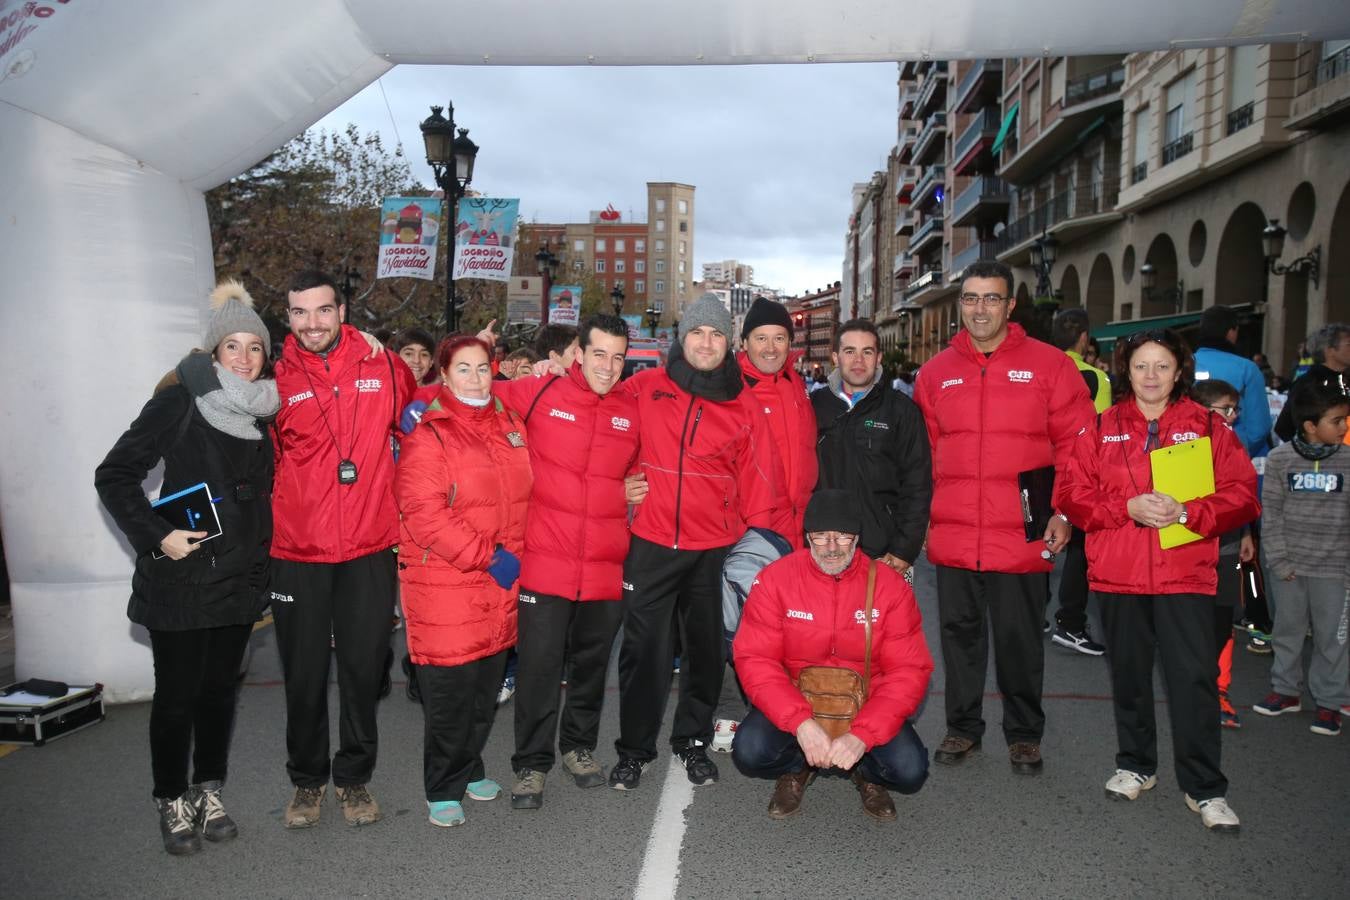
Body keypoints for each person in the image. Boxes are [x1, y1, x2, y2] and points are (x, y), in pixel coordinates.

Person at [95, 280, 279, 855]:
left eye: (255, 348)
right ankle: (170, 798)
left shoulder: (262, 411)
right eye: (233, 347)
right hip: (183, 577)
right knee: (176, 696)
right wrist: (158, 536)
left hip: (239, 579)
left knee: (220, 692)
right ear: (213, 352)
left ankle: (209, 788)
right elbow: (115, 474)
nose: (245, 359)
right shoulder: (179, 399)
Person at [1057, 329, 1259, 833]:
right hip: (1117, 575)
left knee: (1193, 681)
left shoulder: (1209, 427)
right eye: (1142, 366)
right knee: (1128, 677)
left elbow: (1243, 495)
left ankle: (1206, 788)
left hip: (1186, 577)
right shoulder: (1100, 427)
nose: (1151, 376)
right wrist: (1124, 507)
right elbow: (1073, 495)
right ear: (1126, 371)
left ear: (1178, 372)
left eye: (1162, 366)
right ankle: (1136, 765)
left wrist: (1190, 511)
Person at [913, 260, 1095, 774]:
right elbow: (924, 455)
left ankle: (1024, 735)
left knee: (1019, 642)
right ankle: (962, 728)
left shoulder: (1051, 366)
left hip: (1022, 534)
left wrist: (1065, 510)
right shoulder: (935, 373)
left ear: (1010, 305)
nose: (979, 309)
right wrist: (921, 520)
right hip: (954, 536)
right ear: (960, 305)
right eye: (970, 299)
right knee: (960, 639)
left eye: (991, 298)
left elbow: (1079, 445)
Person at [609, 293, 779, 791]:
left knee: (705, 653)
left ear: (730, 343)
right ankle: (634, 750)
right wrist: (615, 488)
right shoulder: (644, 386)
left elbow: (759, 482)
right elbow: (600, 428)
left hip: (714, 550)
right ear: (683, 337)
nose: (706, 343)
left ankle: (692, 742)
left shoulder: (744, 403)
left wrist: (755, 555)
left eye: (717, 334)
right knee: (644, 652)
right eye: (698, 333)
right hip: (652, 541)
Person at [269, 269, 415, 829]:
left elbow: (425, 418)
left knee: (361, 672)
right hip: (298, 551)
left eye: (322, 311)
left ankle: (353, 779)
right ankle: (307, 782)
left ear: (343, 311)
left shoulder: (384, 365)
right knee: (303, 675)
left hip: (369, 546)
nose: (312, 323)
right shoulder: (274, 377)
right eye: (300, 313)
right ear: (288, 317)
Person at [488, 315, 640, 809]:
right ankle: (531, 766)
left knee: (591, 667)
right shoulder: (538, 392)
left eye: (619, 357)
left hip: (604, 566)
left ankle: (578, 748)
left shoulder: (631, 409)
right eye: (600, 354)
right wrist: (482, 352)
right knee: (537, 669)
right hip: (545, 564)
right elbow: (467, 393)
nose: (609, 366)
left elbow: (640, 479)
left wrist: (630, 499)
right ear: (578, 353)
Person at [394, 335, 532, 827]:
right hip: (448, 584)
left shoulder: (510, 424)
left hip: (498, 587)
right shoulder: (428, 434)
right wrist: (487, 557)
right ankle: (442, 787)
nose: (475, 378)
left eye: (482, 368)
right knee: (451, 696)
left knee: (483, 690)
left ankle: (468, 766)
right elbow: (423, 515)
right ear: (445, 375)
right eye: (464, 369)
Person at [731, 490, 933, 821]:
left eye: (842, 536)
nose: (832, 547)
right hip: (797, 699)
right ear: (807, 537)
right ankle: (798, 767)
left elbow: (909, 670)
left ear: (857, 538)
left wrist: (863, 735)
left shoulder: (889, 587)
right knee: (750, 751)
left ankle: (865, 772)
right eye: (821, 537)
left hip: (866, 703)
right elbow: (755, 658)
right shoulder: (775, 580)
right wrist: (799, 723)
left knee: (910, 770)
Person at [1252, 380, 1350, 736]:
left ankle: (1329, 702)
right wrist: (1278, 561)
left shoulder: (1349, 461)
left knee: (1333, 639)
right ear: (1310, 425)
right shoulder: (1280, 460)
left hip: (1335, 570)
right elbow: (1272, 514)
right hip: (1289, 567)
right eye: (1337, 421)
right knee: (1287, 631)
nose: (1343, 428)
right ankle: (1285, 691)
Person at [812, 318, 931, 577]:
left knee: (882, 619)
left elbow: (918, 483)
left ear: (878, 358)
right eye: (849, 351)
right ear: (835, 357)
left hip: (884, 553)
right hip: (822, 552)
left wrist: (904, 548)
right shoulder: (812, 407)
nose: (858, 361)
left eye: (867, 352)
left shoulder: (901, 410)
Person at [1189, 379, 1256, 730]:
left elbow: (1242, 495)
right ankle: (1193, 689)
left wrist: (1245, 532)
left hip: (1227, 548)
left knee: (1222, 622)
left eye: (1235, 409)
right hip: (1190, 554)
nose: (1233, 416)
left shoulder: (1234, 445)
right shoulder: (1181, 448)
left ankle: (1219, 690)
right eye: (1226, 409)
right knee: (1189, 625)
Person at [1047, 308, 1110, 656]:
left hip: (1034, 473)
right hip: (1076, 477)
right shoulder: (1093, 377)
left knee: (1036, 544)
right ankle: (1069, 622)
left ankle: (1036, 613)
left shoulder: (1040, 369)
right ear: (1084, 338)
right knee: (1079, 550)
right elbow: (1100, 433)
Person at [737, 296, 818, 546]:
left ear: (789, 343)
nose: (770, 348)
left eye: (779, 338)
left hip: (800, 528)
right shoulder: (731, 389)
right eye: (761, 338)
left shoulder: (796, 385)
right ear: (744, 343)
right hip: (752, 532)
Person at [1192, 305, 1272, 459]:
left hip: (1186, 453)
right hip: (1232, 455)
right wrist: (1241, 449)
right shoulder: (1247, 369)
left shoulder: (1183, 364)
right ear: (1231, 332)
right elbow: (1259, 426)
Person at [1273, 323, 1349, 443]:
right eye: (1348, 344)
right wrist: (1312, 454)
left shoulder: (1344, 380)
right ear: (1329, 351)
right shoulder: (1308, 384)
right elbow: (1285, 427)